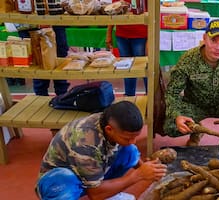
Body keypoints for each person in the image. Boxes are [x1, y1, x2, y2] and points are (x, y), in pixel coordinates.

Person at [35, 101, 167, 199]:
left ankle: (109, 191)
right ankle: (104, 191)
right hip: (58, 179)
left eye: (135, 137)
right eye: (127, 138)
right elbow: (94, 194)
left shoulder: (110, 123)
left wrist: (148, 169)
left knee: (130, 151)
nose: (133, 141)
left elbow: (130, 150)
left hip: (88, 172)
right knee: (65, 184)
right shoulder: (85, 143)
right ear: (109, 129)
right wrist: (138, 175)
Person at [106, 0, 148, 96]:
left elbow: (152, 14)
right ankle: (129, 97)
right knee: (126, 69)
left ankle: (151, 100)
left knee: (144, 68)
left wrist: (149, 40)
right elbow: (112, 12)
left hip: (140, 36)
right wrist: (108, 33)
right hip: (121, 36)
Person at [18, 26, 70, 96]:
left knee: (59, 62)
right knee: (37, 64)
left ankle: (62, 99)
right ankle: (41, 98)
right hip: (29, 25)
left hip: (54, 24)